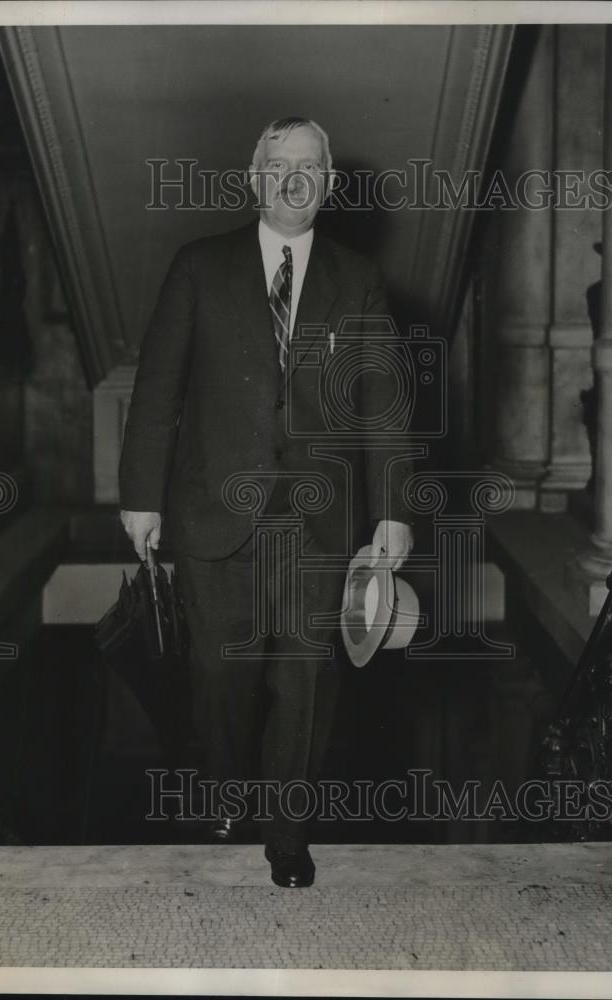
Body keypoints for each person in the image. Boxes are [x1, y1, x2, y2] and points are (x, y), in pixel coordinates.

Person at [119, 117, 413, 887]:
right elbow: (157, 391)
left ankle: (289, 833)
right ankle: (224, 788)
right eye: (279, 166)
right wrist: (139, 497)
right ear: (255, 178)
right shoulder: (198, 267)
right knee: (218, 673)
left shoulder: (358, 277)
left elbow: (382, 400)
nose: (293, 180)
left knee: (306, 679)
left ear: (328, 183)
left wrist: (392, 509)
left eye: (309, 168)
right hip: (216, 512)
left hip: (320, 520)